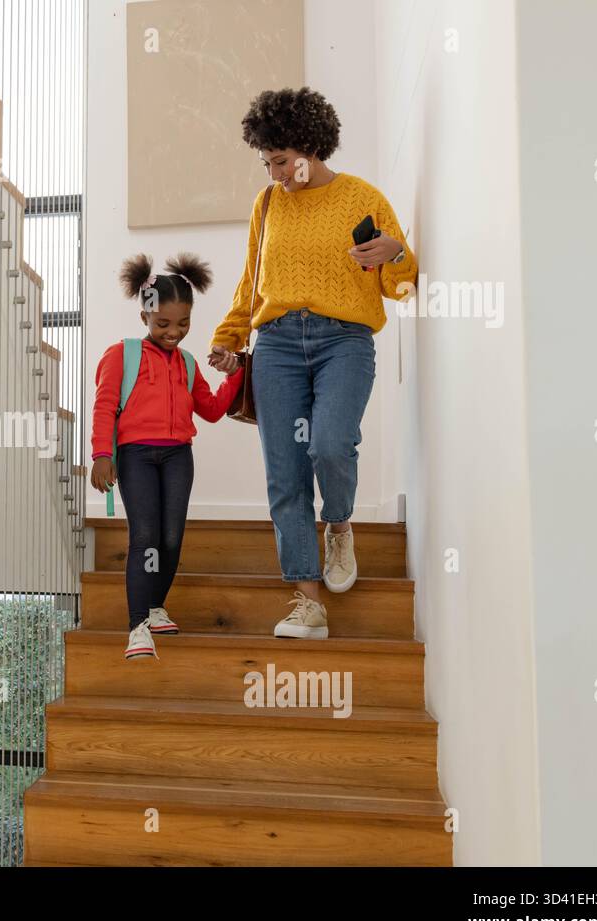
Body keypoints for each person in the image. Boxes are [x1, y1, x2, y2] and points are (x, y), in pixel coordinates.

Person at [209, 87, 418, 639]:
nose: (275, 173)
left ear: (310, 146)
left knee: (330, 442)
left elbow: (400, 287)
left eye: (281, 161)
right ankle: (307, 601)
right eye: (267, 162)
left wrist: (395, 252)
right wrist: (231, 337)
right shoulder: (268, 204)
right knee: (286, 473)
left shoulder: (360, 198)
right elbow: (251, 278)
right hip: (276, 344)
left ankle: (340, 525)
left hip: (343, 341)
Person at [92, 253, 245, 659]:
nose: (173, 332)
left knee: (171, 537)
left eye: (183, 324)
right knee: (145, 537)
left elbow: (211, 410)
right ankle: (137, 626)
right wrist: (101, 455)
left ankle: (157, 606)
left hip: (178, 455)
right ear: (145, 316)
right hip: (135, 456)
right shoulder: (120, 356)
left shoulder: (188, 363)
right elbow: (105, 406)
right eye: (163, 324)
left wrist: (237, 374)